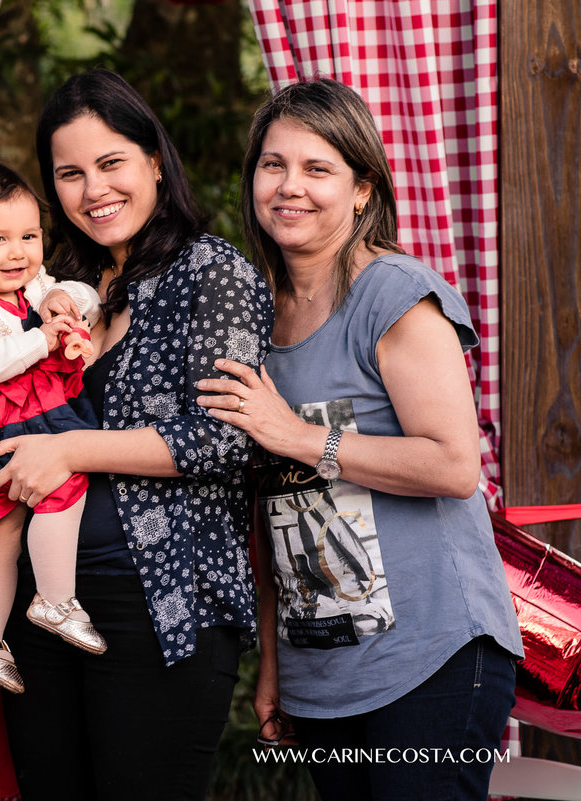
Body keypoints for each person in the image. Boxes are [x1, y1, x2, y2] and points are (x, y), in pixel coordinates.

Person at [195, 77, 523, 800]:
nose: (291, 186)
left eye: (318, 169)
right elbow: (273, 508)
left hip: (430, 658)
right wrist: (277, 665)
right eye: (274, 165)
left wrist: (297, 433)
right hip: (322, 675)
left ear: (363, 189)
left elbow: (453, 463)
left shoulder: (395, 294)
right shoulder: (255, 317)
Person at [0, 68, 273, 800]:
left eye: (111, 163)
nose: (94, 190)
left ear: (154, 160)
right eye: (71, 174)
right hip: (43, 606)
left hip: (161, 601)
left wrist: (70, 449)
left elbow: (228, 438)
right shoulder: (62, 290)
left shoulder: (211, 273)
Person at [0, 160, 107, 696]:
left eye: (29, 236)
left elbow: (88, 299)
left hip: (23, 419)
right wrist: (44, 340)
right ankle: (55, 599)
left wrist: (66, 301)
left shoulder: (35, 287)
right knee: (64, 486)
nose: (18, 252)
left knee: (3, 535)